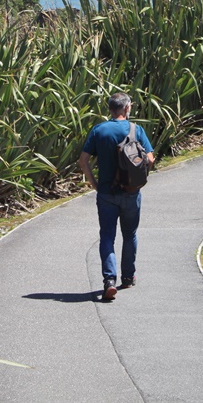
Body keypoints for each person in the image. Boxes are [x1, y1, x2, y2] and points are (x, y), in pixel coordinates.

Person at [78, 92, 155, 301]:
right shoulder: (136, 130)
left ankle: (109, 281)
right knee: (130, 235)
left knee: (107, 237)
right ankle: (128, 277)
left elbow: (83, 161)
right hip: (131, 193)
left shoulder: (99, 130)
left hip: (106, 193)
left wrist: (94, 183)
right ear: (127, 108)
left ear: (110, 109)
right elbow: (150, 159)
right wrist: (138, 178)